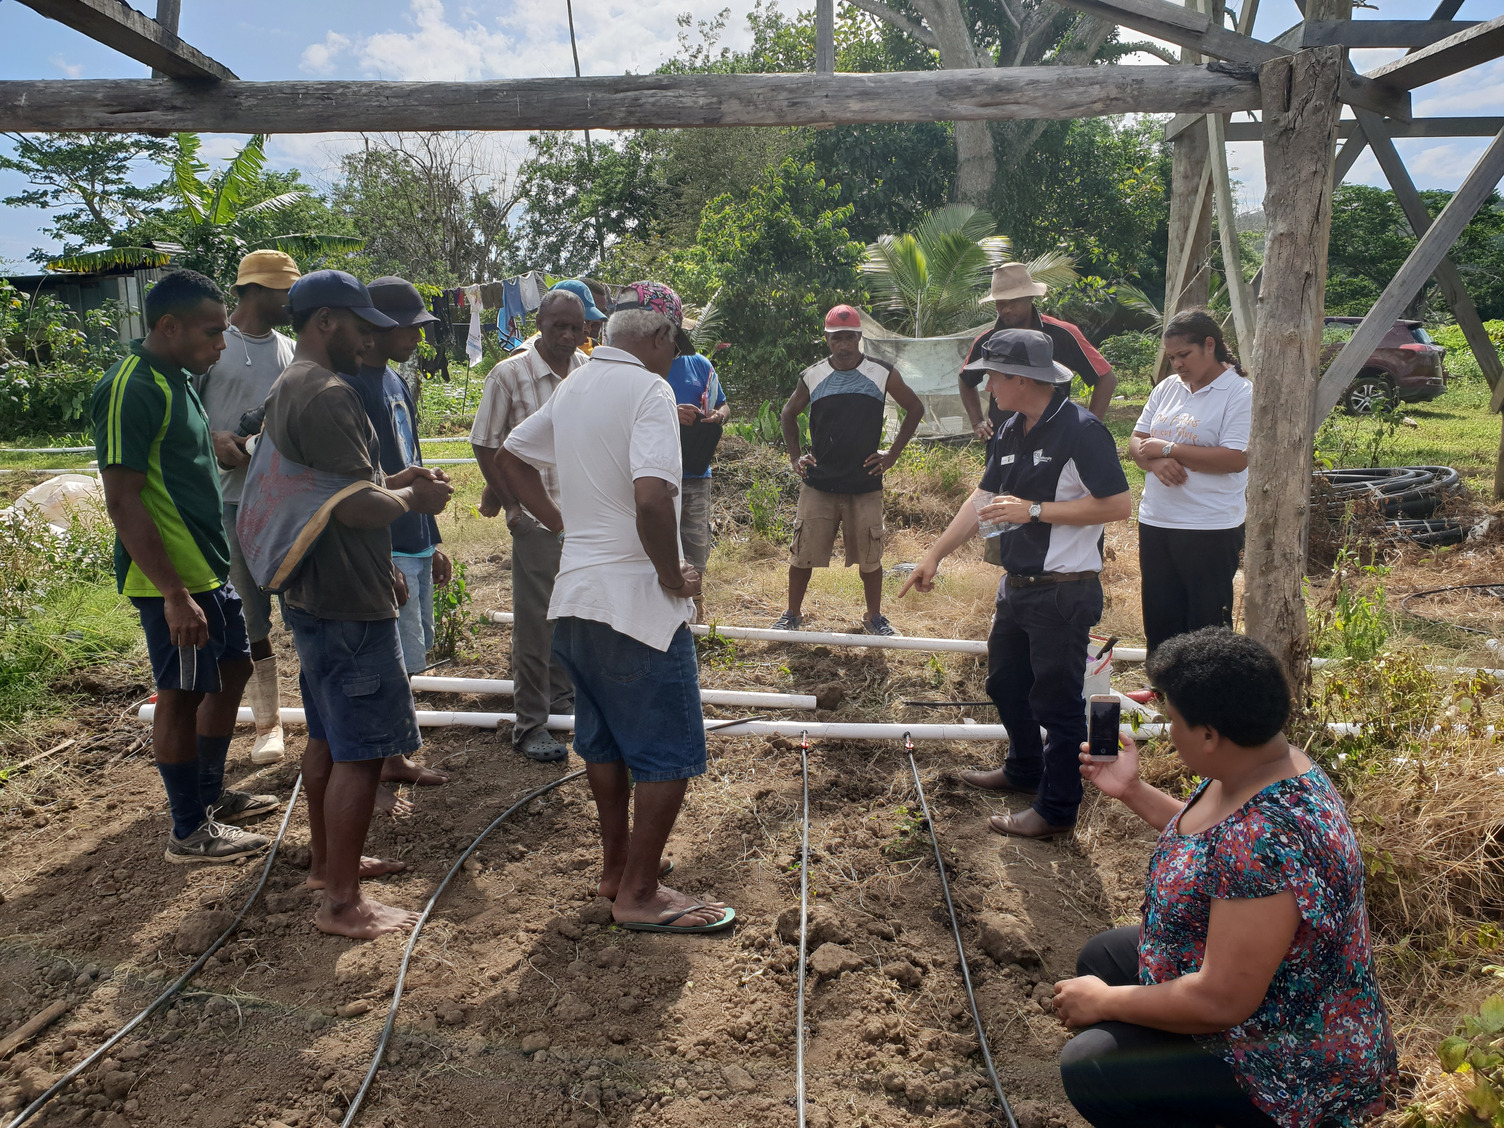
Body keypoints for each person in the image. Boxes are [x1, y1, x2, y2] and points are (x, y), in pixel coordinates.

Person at [1055, 628, 1396, 1128]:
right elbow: (1213, 843)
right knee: (1103, 956)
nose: (1168, 731)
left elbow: (1222, 1000)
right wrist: (1131, 790)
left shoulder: (1269, 837)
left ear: (1211, 734)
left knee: (1092, 1065)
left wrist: (1105, 1002)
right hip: (1266, 992)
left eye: (1173, 720)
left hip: (1289, 1062)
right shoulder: (1270, 762)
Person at [498, 281, 735, 934]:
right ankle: (638, 894)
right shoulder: (650, 391)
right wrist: (673, 574)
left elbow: (511, 454)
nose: (672, 360)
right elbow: (655, 500)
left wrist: (559, 524)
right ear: (659, 338)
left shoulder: (573, 386)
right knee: (668, 752)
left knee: (602, 743)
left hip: (574, 603)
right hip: (635, 608)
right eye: (672, 346)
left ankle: (616, 869)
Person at [259, 269, 454, 938]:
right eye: (360, 325)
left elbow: (334, 490)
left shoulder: (291, 387)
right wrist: (412, 501)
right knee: (363, 751)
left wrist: (392, 483)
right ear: (326, 322)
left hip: (318, 591)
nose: (370, 338)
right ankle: (343, 902)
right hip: (345, 602)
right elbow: (358, 508)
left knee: (328, 735)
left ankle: (325, 862)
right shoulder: (330, 394)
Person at [900, 328, 1131, 838]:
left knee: (1058, 700)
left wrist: (1035, 511)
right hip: (1018, 584)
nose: (987, 390)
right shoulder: (1010, 429)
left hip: (1064, 589)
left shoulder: (1081, 431)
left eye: (992, 379)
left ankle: (1056, 810)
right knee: (1006, 684)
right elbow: (982, 500)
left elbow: (1118, 505)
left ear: (1020, 379)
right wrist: (933, 555)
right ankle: (1025, 769)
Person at [92, 269, 277, 863]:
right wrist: (173, 594)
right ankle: (188, 830)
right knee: (179, 693)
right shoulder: (131, 387)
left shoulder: (179, 379)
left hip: (206, 567)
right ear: (167, 326)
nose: (221, 345)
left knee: (233, 670)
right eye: (211, 332)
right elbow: (122, 498)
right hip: (170, 577)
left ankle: (209, 794)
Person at [343, 275, 454, 795]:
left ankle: (394, 752)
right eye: (407, 328)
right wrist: (383, 558)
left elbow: (414, 465)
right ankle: (390, 758)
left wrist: (432, 539)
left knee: (417, 648)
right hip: (386, 542)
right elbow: (361, 484)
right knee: (395, 657)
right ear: (377, 327)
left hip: (414, 536)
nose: (417, 337)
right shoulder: (355, 389)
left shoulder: (396, 383)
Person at [470, 289, 590, 763]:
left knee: (572, 613)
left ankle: (561, 700)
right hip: (538, 518)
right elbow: (485, 443)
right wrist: (511, 505)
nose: (566, 336)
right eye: (557, 325)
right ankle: (530, 724)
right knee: (536, 623)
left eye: (574, 328)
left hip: (580, 515)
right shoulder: (510, 374)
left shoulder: (586, 371)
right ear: (538, 322)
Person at [196, 249, 300, 766]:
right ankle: (268, 722)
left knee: (300, 604)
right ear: (257, 290)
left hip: (282, 501)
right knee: (247, 616)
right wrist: (213, 438)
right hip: (230, 499)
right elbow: (186, 414)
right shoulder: (214, 347)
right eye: (286, 291)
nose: (292, 300)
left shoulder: (289, 349)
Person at [773, 304, 925, 636]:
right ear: (828, 340)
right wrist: (795, 457)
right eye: (836, 338)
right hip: (819, 483)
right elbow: (788, 414)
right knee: (802, 553)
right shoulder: (812, 375)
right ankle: (792, 615)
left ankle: (873, 617)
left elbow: (915, 407)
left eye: (849, 338)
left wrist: (893, 454)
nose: (843, 345)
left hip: (864, 482)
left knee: (871, 557)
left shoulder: (881, 373)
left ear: (859, 338)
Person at [1129, 310, 1252, 653]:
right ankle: (1164, 691)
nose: (1178, 365)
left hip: (1208, 525)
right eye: (1171, 358)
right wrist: (1155, 463)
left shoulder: (1238, 392)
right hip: (1157, 519)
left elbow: (1235, 458)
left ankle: (1205, 699)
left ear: (1209, 345)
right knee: (1160, 614)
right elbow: (1136, 441)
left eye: (1184, 355)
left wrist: (1169, 448)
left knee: (1206, 621)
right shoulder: (1168, 388)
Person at [959, 263, 1116, 442]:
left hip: (1055, 439)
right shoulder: (988, 341)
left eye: (1014, 301)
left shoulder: (1063, 334)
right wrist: (977, 421)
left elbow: (1106, 378)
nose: (1006, 309)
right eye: (1001, 303)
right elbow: (965, 380)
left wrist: (1088, 428)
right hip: (1004, 440)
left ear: (1030, 298)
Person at [665, 325, 729, 609]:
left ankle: (696, 606)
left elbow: (725, 404)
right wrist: (670, 412)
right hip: (658, 473)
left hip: (695, 470)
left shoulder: (700, 364)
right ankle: (666, 603)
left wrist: (719, 415)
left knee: (696, 542)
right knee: (660, 538)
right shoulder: (641, 371)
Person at [551, 278, 609, 354]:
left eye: (600, 313)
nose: (597, 320)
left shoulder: (596, 350)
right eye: (586, 315)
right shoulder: (535, 352)